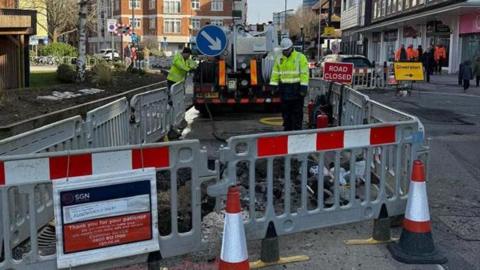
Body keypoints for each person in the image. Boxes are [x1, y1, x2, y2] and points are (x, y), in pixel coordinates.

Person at [270, 38, 309, 131]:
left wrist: (303, 87)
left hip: (297, 89)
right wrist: (273, 85)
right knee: (286, 112)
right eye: (284, 50)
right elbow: (275, 72)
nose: (286, 52)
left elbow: (304, 73)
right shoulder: (279, 58)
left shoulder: (300, 57)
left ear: (291, 47)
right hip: (284, 89)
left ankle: (297, 130)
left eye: (287, 50)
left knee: (297, 112)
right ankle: (287, 129)